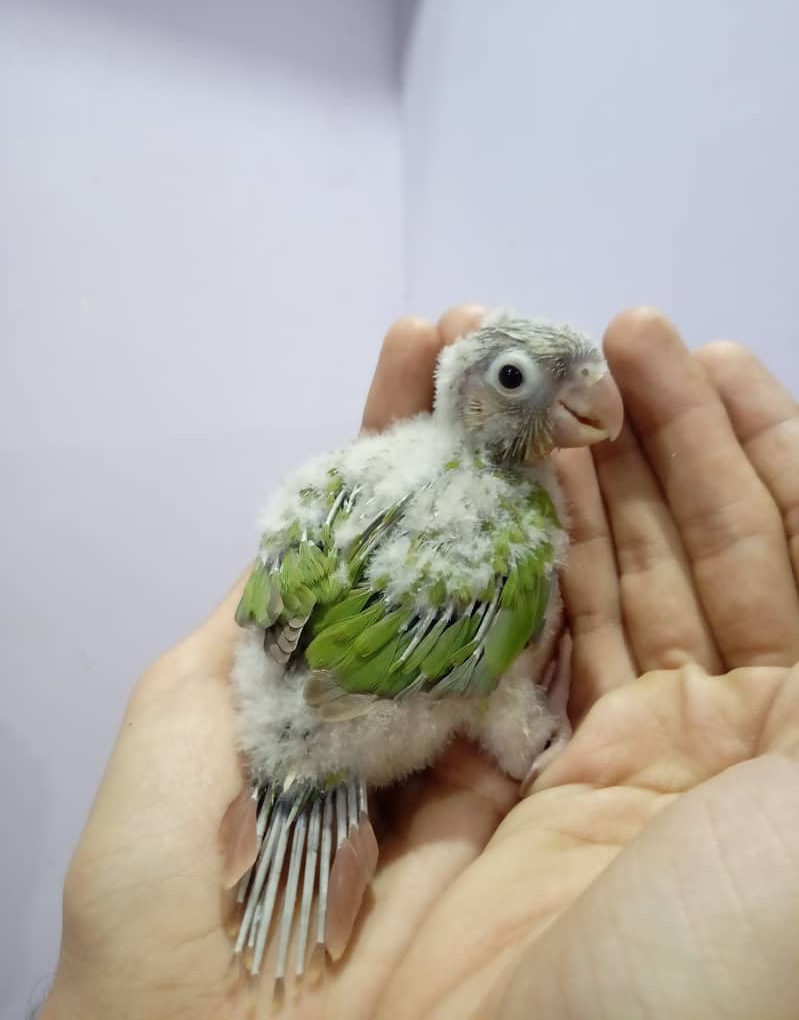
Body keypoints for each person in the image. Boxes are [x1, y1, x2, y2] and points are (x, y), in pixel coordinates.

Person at [40, 306, 799, 1020]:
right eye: (515, 378)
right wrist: (533, 732)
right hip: (350, 722)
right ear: (464, 393)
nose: (582, 398)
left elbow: (282, 589)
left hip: (302, 703)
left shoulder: (352, 473)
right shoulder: (513, 525)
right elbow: (485, 688)